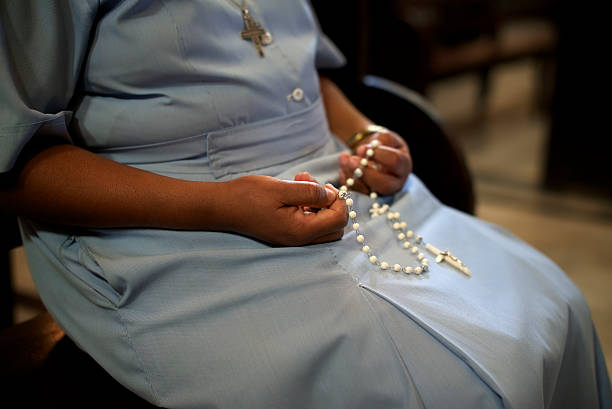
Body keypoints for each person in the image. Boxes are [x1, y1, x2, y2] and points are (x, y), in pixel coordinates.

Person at [0, 1, 610, 408]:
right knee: (427, 384)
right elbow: (13, 163)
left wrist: (364, 133)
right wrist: (221, 206)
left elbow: (297, 68)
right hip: (171, 218)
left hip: (338, 184)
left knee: (555, 305)